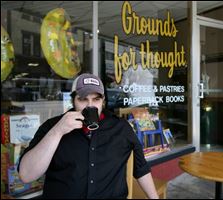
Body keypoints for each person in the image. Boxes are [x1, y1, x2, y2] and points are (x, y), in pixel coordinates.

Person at [18, 73, 159, 199]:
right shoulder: (52, 126)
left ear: (103, 101)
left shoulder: (120, 128)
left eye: (96, 99)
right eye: (83, 99)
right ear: (73, 101)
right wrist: (58, 131)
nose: (90, 105)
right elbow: (26, 175)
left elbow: (141, 169)